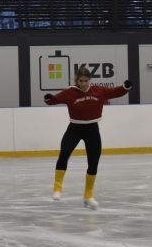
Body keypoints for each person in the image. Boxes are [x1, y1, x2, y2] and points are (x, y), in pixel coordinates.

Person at [44, 67, 131, 210]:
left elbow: (115, 92)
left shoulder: (98, 90)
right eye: (80, 81)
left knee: (93, 161)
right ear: (76, 80)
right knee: (64, 153)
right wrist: (49, 99)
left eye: (85, 81)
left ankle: (88, 196)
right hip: (74, 129)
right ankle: (57, 188)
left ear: (89, 80)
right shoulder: (70, 92)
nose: (83, 84)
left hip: (92, 130)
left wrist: (125, 87)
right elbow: (54, 100)